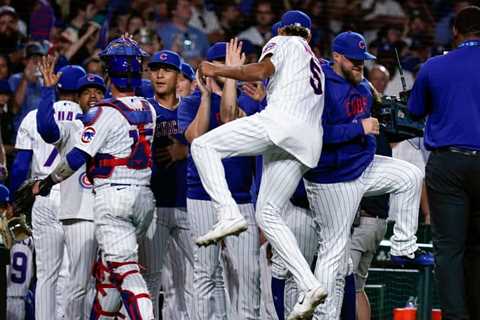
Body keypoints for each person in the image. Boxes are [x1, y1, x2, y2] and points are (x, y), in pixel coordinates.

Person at [191, 10, 327, 319]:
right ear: (309, 34)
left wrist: (219, 69)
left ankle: (227, 213)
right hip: (308, 142)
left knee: (203, 145)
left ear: (282, 29)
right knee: (267, 212)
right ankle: (309, 284)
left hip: (281, 124)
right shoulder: (314, 61)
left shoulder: (285, 42)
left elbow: (261, 70)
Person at [302, 31, 432, 320]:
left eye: (363, 60)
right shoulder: (320, 88)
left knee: (409, 175)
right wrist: (359, 128)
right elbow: (315, 136)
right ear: (336, 57)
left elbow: (380, 115)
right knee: (333, 253)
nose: (360, 65)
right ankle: (324, 316)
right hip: (333, 178)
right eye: (354, 60)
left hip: (362, 167)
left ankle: (403, 247)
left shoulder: (360, 84)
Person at [31, 35, 156, 319]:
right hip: (143, 198)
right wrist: (128, 54)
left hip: (113, 198)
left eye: (97, 88)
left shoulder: (102, 114)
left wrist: (48, 182)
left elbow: (76, 159)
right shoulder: (148, 109)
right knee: (109, 278)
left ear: (109, 75)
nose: (94, 95)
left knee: (124, 271)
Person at [178, 40, 261, 320]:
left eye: (234, 67)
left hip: (240, 199)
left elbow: (230, 120)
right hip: (201, 196)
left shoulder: (250, 101)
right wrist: (204, 98)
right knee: (205, 271)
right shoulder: (191, 103)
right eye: (223, 66)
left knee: (248, 273)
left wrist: (231, 79)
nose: (230, 72)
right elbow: (195, 139)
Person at [407, 6, 480, 319]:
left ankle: (455, 316)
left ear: (455, 31)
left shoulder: (434, 66)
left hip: (448, 165)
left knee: (449, 249)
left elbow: (414, 110)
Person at [11, 66, 83, 319]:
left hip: (41, 195)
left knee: (45, 275)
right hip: (75, 197)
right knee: (69, 272)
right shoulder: (87, 116)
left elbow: (21, 166)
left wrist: (15, 204)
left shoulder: (33, 116)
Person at [36, 59, 106, 319]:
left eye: (99, 91)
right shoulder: (73, 126)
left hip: (109, 213)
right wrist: (47, 91)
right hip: (79, 213)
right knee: (78, 282)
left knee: (98, 283)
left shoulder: (115, 124)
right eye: (87, 91)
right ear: (78, 98)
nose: (93, 95)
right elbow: (46, 129)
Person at [137, 49, 193, 319]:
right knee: (150, 280)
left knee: (198, 279)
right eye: (154, 69)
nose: (159, 74)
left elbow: (214, 143)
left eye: (166, 69)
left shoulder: (191, 107)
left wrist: (186, 150)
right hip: (153, 207)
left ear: (178, 75)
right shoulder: (143, 109)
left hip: (189, 205)